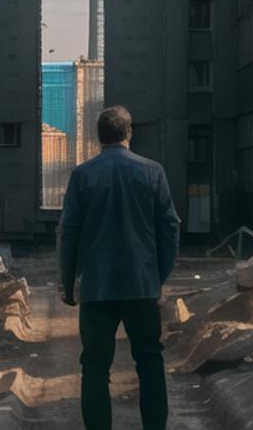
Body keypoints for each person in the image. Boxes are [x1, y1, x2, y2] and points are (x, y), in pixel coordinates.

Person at [58, 104, 180, 430]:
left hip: (97, 287)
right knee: (150, 360)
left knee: (95, 366)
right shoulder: (152, 172)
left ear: (99, 137)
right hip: (141, 285)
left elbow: (68, 233)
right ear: (129, 134)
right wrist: (158, 275)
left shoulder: (82, 175)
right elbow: (170, 227)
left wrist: (68, 283)